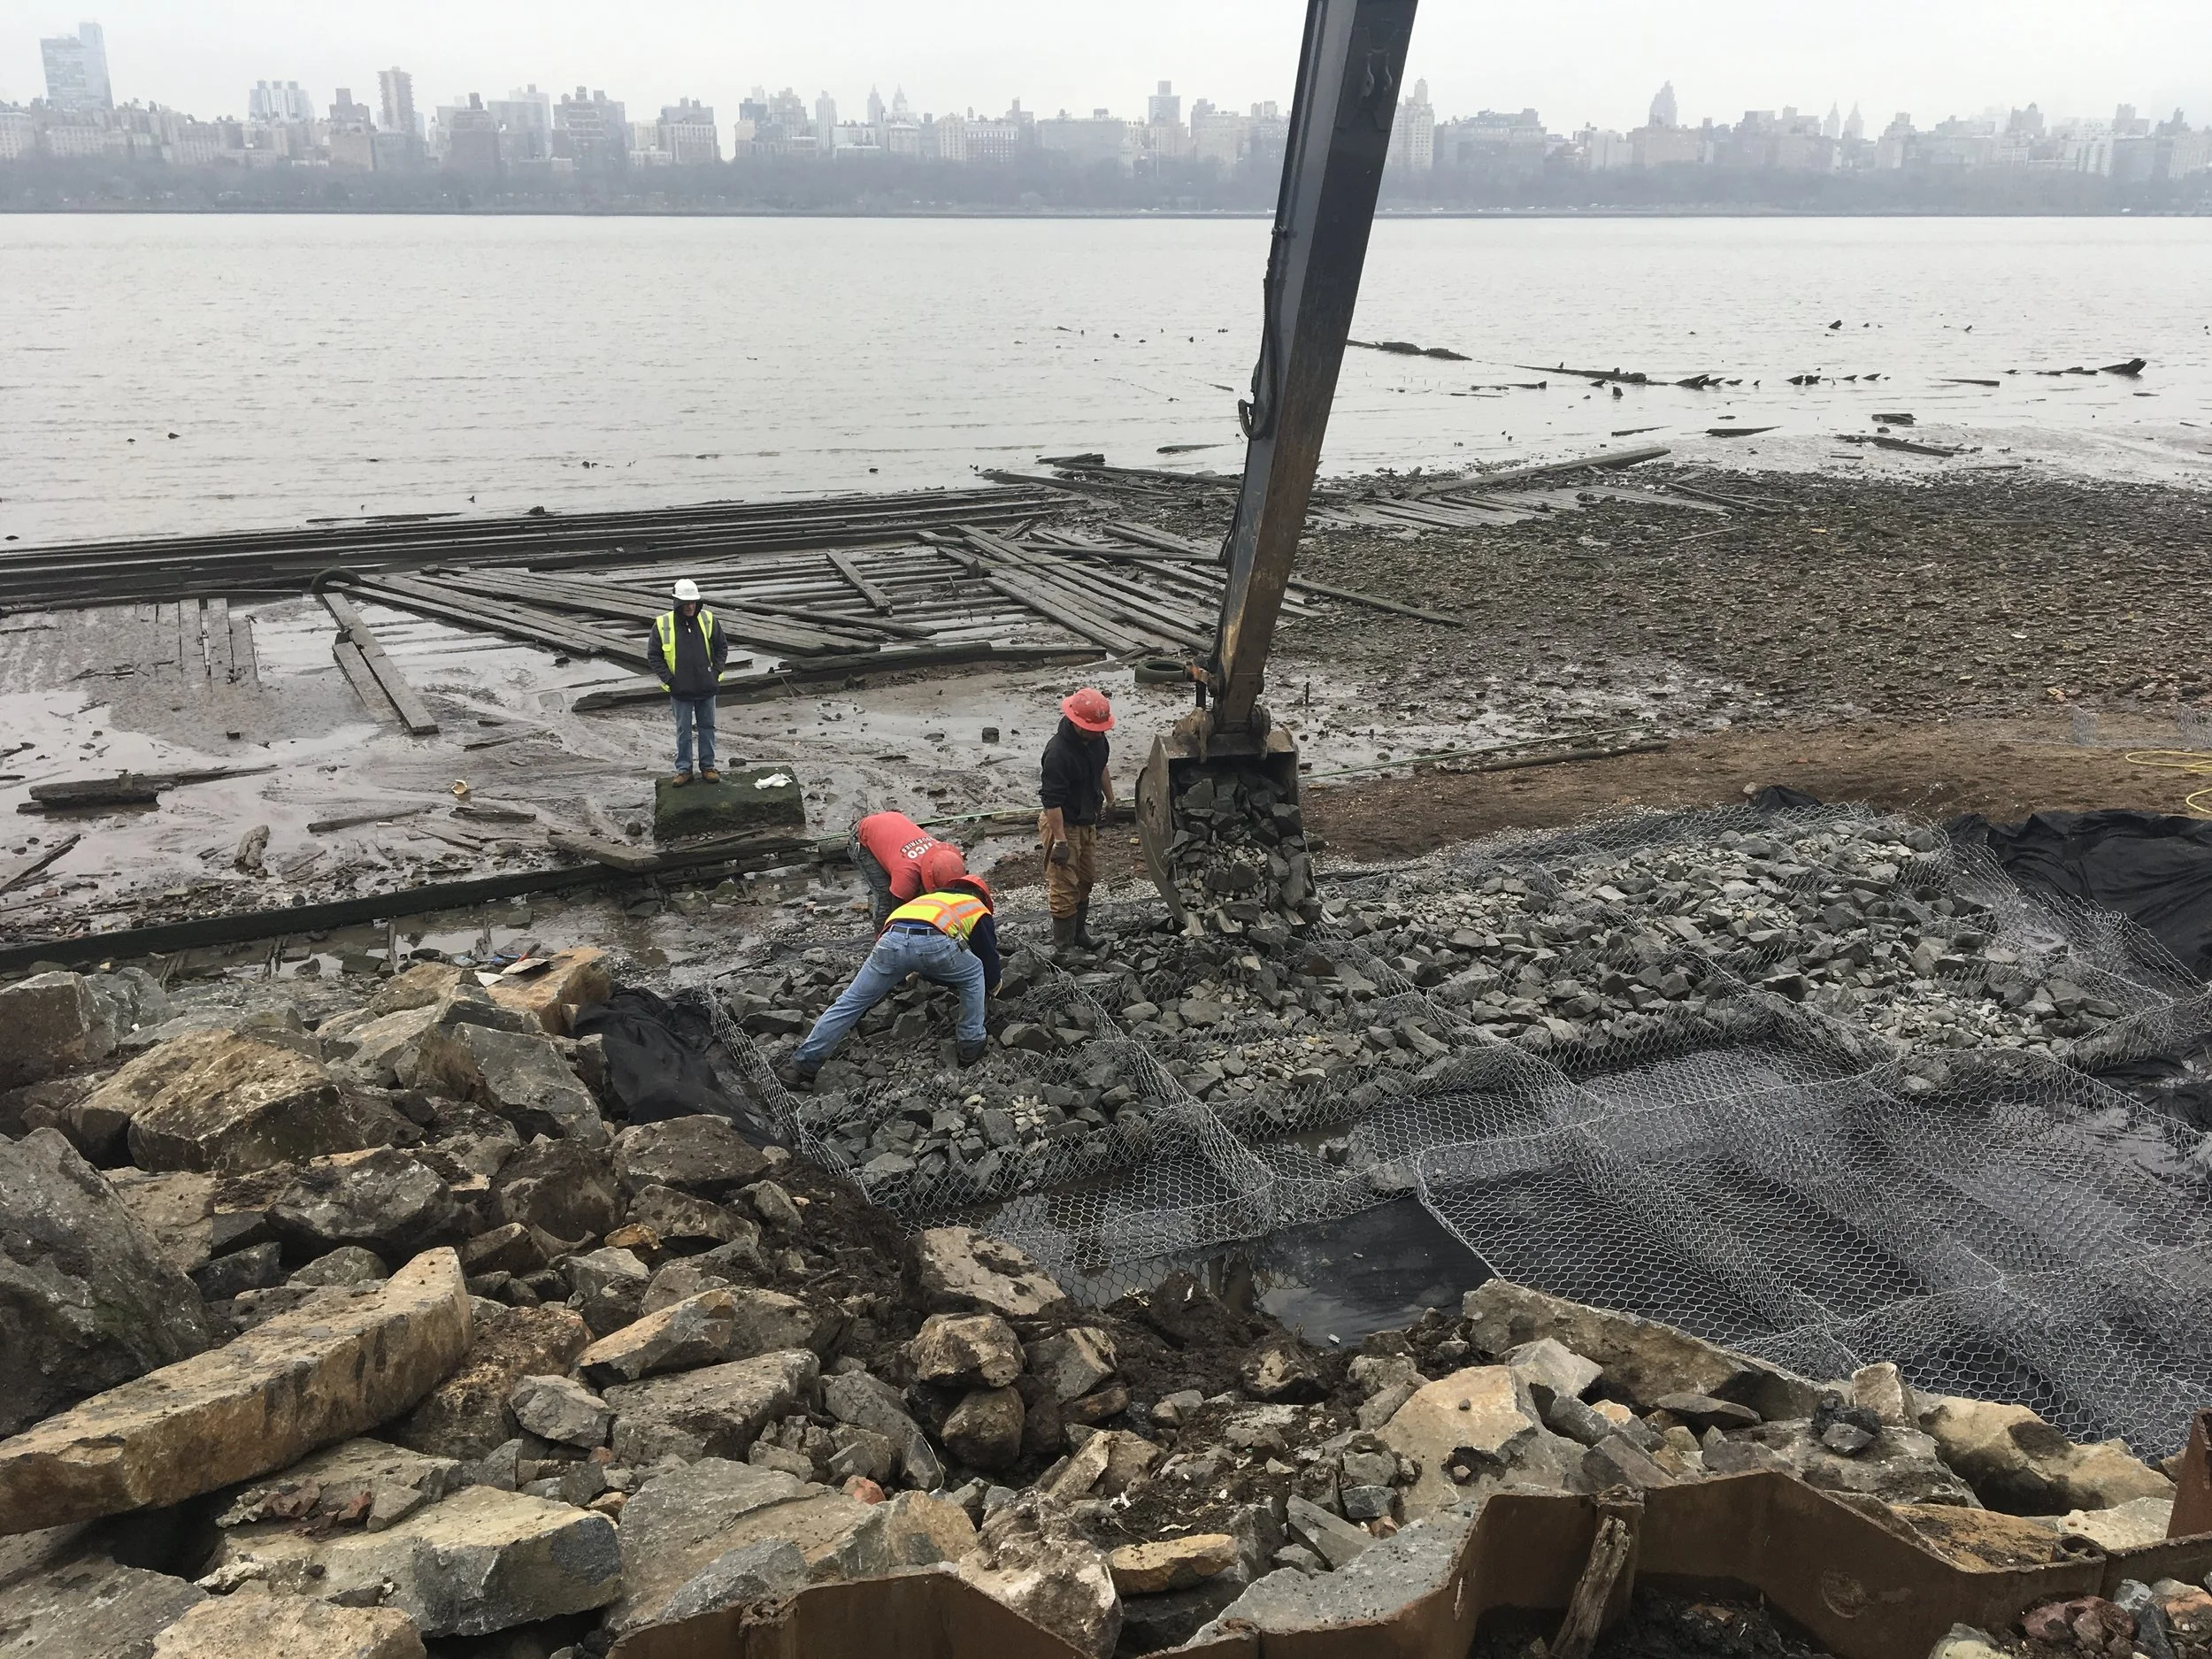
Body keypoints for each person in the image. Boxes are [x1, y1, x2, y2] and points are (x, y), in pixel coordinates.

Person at [787, 875, 1000, 1084]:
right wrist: (993, 985)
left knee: (850, 1001)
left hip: (889, 943)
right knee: (974, 973)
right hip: (934, 945)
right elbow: (987, 954)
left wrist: (910, 970)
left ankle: (804, 1063)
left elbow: (895, 938)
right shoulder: (975, 906)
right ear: (983, 897)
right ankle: (971, 1044)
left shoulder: (923, 901)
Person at [1038, 687, 1114, 950]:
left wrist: (1111, 799)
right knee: (1063, 886)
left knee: (1085, 879)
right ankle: (1063, 948)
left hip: (1086, 819)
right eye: (1096, 728)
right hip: (1063, 823)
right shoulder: (1058, 754)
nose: (1101, 732)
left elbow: (1101, 767)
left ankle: (1079, 934)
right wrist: (1059, 840)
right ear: (1079, 725)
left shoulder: (1098, 742)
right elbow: (1052, 801)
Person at [650, 579, 727, 786]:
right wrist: (670, 681)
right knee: (683, 730)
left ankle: (708, 767)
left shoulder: (709, 620)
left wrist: (716, 673)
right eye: (686, 603)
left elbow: (721, 648)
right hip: (680, 689)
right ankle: (684, 770)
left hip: (706, 685)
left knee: (707, 727)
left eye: (693, 602)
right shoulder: (662, 624)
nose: (690, 606)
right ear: (676, 602)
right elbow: (654, 656)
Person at [850, 810, 970, 932]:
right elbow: (897, 913)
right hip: (863, 835)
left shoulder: (946, 856)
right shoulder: (907, 873)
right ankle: (881, 938)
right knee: (885, 897)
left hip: (892, 821)